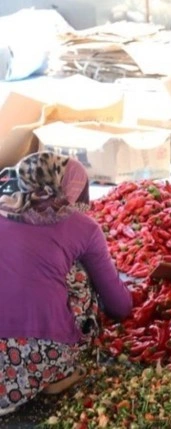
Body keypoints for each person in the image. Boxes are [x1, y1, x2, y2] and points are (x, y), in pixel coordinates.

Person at [0, 152, 132, 416]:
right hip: (40, 355)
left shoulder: (4, 209)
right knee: (78, 273)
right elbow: (119, 305)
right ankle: (53, 373)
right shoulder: (83, 226)